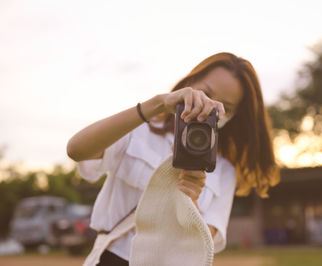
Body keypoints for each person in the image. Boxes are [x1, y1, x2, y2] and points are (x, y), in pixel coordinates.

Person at [67, 52, 280, 265]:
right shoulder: (139, 130)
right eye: (206, 93)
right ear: (189, 82)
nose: (210, 107)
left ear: (232, 116)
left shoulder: (224, 170)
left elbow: (205, 245)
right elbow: (77, 149)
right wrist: (157, 104)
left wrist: (192, 201)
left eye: (225, 107)